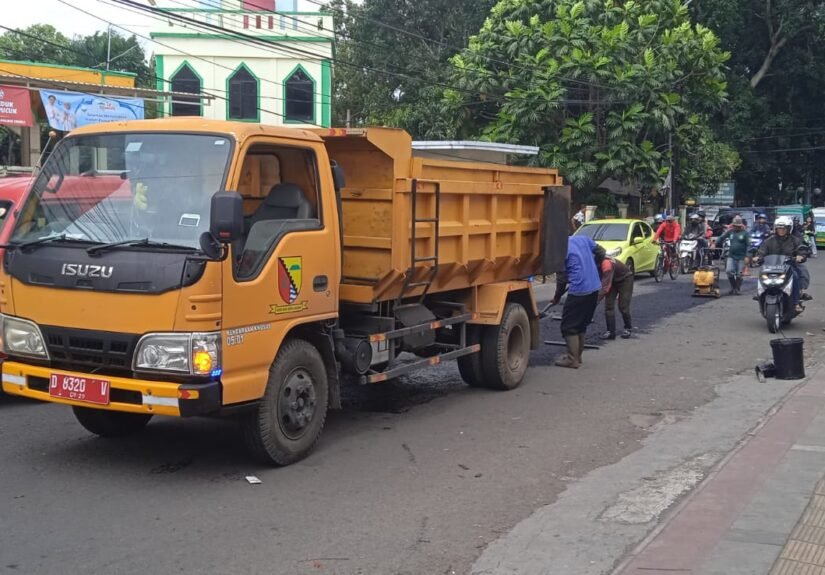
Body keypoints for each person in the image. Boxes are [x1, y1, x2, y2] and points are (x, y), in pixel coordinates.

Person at [550, 235, 604, 369]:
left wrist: (557, 297)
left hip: (579, 290)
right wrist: (595, 266)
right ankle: (578, 357)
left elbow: (562, 279)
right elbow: (601, 252)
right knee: (581, 324)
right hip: (594, 287)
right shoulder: (582, 239)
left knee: (569, 325)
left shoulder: (560, 251)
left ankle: (572, 358)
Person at [754, 216, 805, 313]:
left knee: (795, 276)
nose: (781, 230)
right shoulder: (770, 240)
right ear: (775, 228)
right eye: (779, 228)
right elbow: (762, 250)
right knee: (761, 274)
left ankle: (796, 302)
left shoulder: (795, 240)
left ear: (788, 229)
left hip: (788, 266)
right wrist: (758, 257)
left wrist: (800, 256)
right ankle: (761, 294)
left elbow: (801, 250)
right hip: (771, 266)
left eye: (783, 228)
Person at [596, 253, 634, 340]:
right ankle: (610, 332)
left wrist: (596, 300)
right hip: (612, 280)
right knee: (608, 306)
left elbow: (605, 287)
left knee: (623, 306)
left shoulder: (606, 264)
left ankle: (628, 328)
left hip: (625, 279)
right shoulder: (593, 262)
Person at [712, 216, 750, 295]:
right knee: (729, 271)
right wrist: (714, 243)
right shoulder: (731, 231)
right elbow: (722, 237)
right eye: (734, 226)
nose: (736, 227)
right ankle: (734, 287)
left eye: (737, 226)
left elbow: (749, 245)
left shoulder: (745, 233)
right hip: (731, 255)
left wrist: (747, 256)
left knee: (739, 274)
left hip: (741, 256)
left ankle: (737, 289)